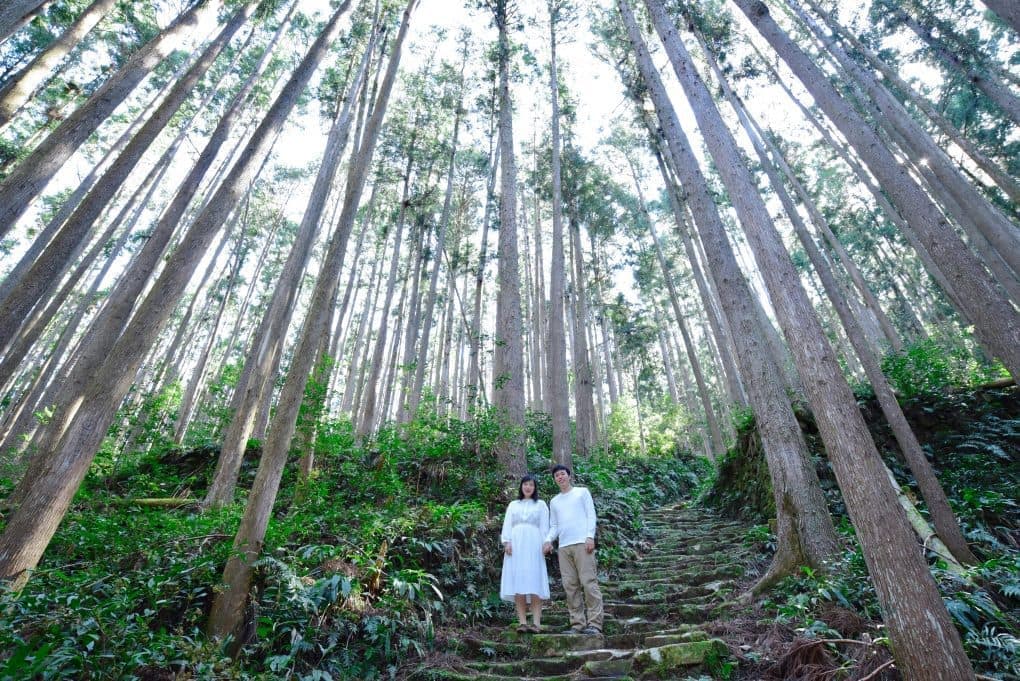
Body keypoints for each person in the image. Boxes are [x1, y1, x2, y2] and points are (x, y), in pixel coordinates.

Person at [542, 464, 603, 635]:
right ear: (555, 480)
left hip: (582, 543)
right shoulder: (554, 501)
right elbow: (554, 525)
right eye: (557, 476)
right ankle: (577, 624)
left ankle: (595, 624)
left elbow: (591, 514)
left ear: (569, 476)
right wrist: (548, 540)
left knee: (589, 583)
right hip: (564, 547)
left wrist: (590, 536)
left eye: (562, 474)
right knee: (570, 586)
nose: (560, 477)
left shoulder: (582, 492)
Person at [500, 474, 550, 633]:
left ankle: (536, 623)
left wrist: (546, 543)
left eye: (531, 485)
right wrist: (507, 542)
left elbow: (544, 527)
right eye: (525, 484)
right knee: (518, 581)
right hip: (516, 545)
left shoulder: (541, 504)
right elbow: (507, 524)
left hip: (534, 545)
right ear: (521, 486)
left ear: (535, 488)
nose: (528, 487)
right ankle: (522, 622)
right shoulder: (513, 505)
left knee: (535, 581)